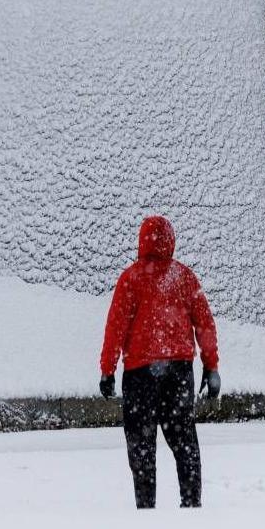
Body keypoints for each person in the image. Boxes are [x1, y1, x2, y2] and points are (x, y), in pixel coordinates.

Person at [99, 215, 221, 509]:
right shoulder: (184, 277)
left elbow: (116, 327)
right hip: (178, 371)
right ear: (171, 241)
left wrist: (107, 369)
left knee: (141, 444)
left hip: (140, 372)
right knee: (184, 440)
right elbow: (204, 324)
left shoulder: (131, 278)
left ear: (142, 240)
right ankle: (191, 504)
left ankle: (146, 508)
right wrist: (211, 366)